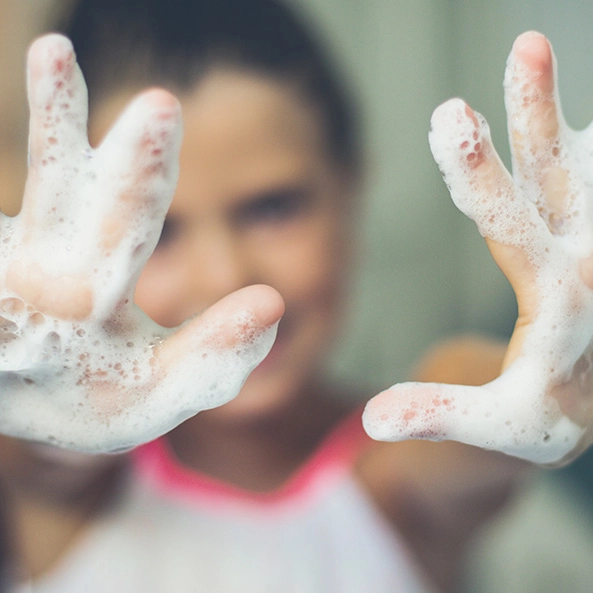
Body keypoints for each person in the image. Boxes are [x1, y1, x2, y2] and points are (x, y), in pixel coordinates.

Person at [2, 0, 593, 591]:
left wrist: (543, 376)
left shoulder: (395, 480)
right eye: (158, 232)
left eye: (273, 206)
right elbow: (41, 455)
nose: (224, 276)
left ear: (351, 187)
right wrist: (42, 386)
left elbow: (470, 402)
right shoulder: (70, 480)